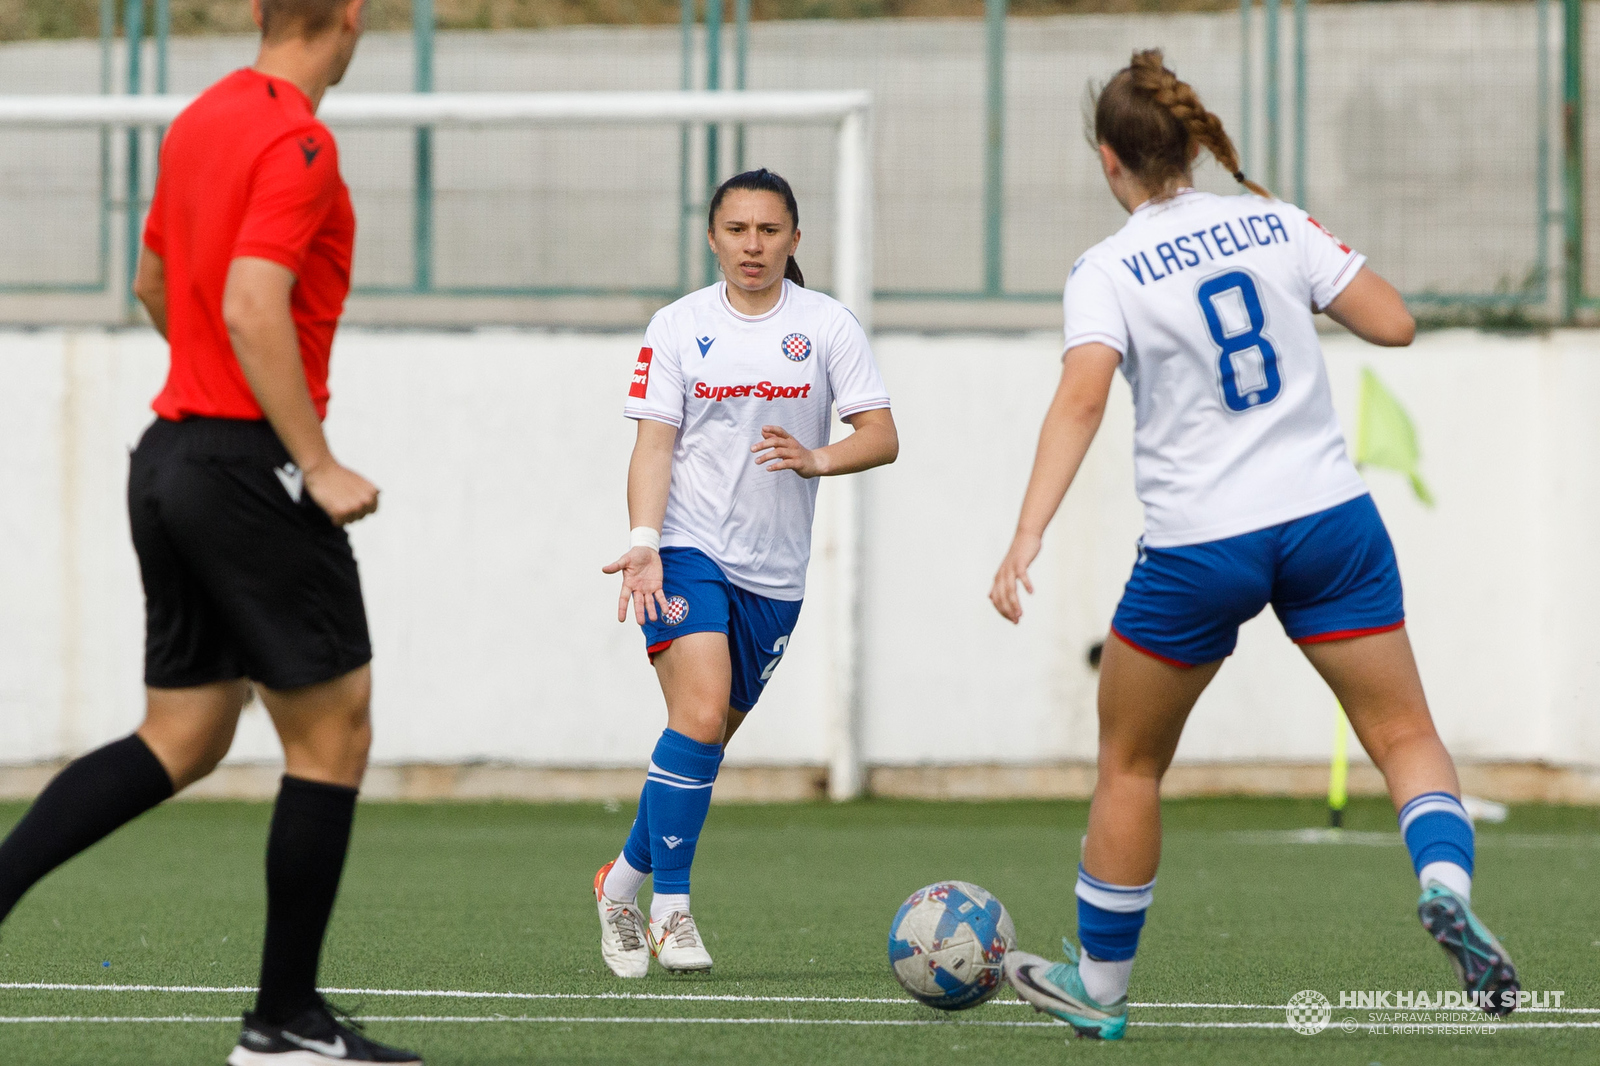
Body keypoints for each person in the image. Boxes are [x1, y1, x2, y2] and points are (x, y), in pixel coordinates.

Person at [989, 50, 1520, 1039]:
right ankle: (1444, 884)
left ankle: (1099, 991)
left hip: (1200, 546)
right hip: (1328, 522)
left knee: (1131, 764)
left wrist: (1027, 532)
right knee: (1404, 735)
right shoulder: (1277, 222)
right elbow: (1392, 324)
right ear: (1192, 143)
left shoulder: (1104, 269)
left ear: (1109, 160)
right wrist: (1303, 253)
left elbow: (1083, 394)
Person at [0, 2, 421, 1062]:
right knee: (336, 729)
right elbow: (248, 302)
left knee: (183, 735)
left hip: (170, 454)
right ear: (354, 16)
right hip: (242, 467)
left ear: (255, 11)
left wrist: (222, 406)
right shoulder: (300, 138)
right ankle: (284, 1024)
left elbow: (152, 283)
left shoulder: (198, 119)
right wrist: (312, 460)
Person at [594, 168, 898, 977]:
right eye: (738, 230)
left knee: (702, 743)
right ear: (713, 237)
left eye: (769, 231)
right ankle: (673, 911)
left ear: (795, 239)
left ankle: (618, 884)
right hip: (688, 549)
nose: (753, 246)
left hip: (776, 575)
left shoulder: (829, 327)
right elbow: (653, 444)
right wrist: (645, 537)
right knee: (696, 715)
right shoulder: (677, 327)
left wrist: (816, 457)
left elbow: (882, 433)